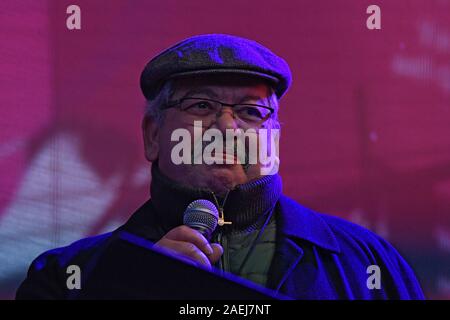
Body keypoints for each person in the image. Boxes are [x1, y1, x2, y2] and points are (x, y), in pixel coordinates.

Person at [16, 34, 424, 299]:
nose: (226, 127)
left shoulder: (369, 264)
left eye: (249, 111)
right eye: (201, 106)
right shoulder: (65, 279)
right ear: (153, 136)